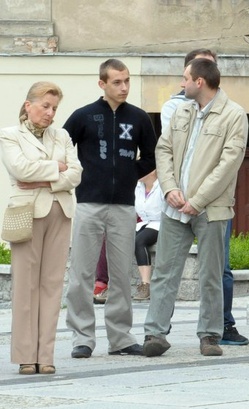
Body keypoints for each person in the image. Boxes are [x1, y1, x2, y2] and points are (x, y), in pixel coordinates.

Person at [141, 58, 249, 357]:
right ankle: (155, 334)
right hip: (175, 206)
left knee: (211, 273)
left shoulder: (234, 115)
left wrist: (197, 201)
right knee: (164, 271)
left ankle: (210, 336)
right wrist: (170, 188)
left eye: (185, 77)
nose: (181, 82)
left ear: (199, 81)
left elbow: (229, 164)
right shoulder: (181, 110)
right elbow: (163, 149)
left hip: (210, 209)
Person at [64, 59, 157, 359]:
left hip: (123, 207)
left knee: (120, 273)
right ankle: (82, 337)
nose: (124, 87)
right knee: (82, 272)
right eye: (117, 82)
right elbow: (63, 148)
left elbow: (153, 155)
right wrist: (80, 175)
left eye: (127, 81)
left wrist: (131, 173)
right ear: (102, 84)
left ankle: (120, 338)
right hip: (89, 203)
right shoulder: (83, 116)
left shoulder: (139, 118)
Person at [0, 82, 82, 375]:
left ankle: (45, 355)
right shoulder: (10, 135)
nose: (50, 113)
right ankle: (25, 355)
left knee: (51, 285)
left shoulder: (62, 135)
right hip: (26, 213)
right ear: (28, 105)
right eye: (45, 106)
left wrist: (44, 178)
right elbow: (20, 169)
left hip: (60, 212)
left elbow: (76, 173)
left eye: (55, 108)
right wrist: (56, 168)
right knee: (25, 285)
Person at [132, 170, 162, 301]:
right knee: (122, 240)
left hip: (160, 223)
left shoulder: (162, 186)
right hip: (143, 222)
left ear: (153, 171)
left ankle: (146, 285)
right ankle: (113, 285)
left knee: (139, 241)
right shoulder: (138, 187)